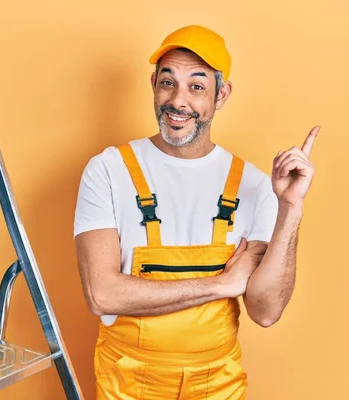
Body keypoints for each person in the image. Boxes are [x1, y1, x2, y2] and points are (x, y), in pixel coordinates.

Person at [73, 24, 319, 400]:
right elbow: (103, 294)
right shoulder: (108, 170)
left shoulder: (255, 186)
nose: (179, 101)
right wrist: (220, 284)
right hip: (127, 385)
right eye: (168, 82)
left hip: (218, 386)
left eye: (197, 86)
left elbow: (266, 311)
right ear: (153, 84)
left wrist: (291, 208)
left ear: (222, 95)